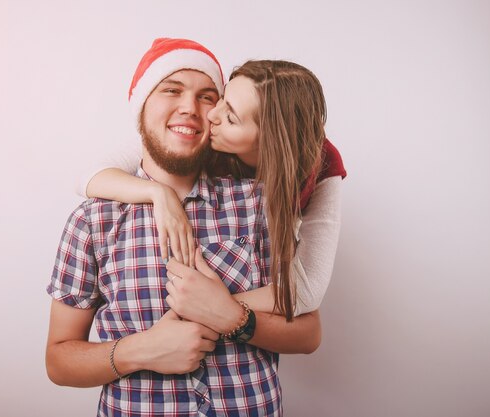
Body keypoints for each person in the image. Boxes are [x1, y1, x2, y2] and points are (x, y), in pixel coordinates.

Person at [46, 38, 321, 416]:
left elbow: (308, 332)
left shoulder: (259, 203)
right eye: (171, 90)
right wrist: (141, 350)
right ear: (142, 104)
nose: (189, 108)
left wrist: (232, 318)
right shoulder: (92, 222)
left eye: (208, 97)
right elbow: (59, 361)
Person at [81, 55, 347, 321]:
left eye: (230, 117)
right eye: (222, 98)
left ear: (268, 140)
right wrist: (159, 194)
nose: (210, 115)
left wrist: (213, 307)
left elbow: (306, 291)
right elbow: (89, 175)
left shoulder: (323, 166)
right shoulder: (200, 136)